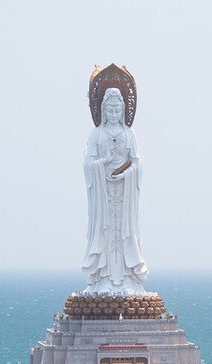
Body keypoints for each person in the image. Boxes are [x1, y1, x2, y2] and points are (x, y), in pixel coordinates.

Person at [83, 87, 149, 294]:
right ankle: (103, 278)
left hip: (124, 191)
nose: (113, 115)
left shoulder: (130, 134)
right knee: (105, 230)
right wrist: (105, 162)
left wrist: (126, 174)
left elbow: (138, 165)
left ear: (123, 111)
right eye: (109, 111)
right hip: (102, 193)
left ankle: (128, 279)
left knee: (126, 231)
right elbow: (88, 164)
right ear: (103, 111)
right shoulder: (96, 134)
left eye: (116, 111)